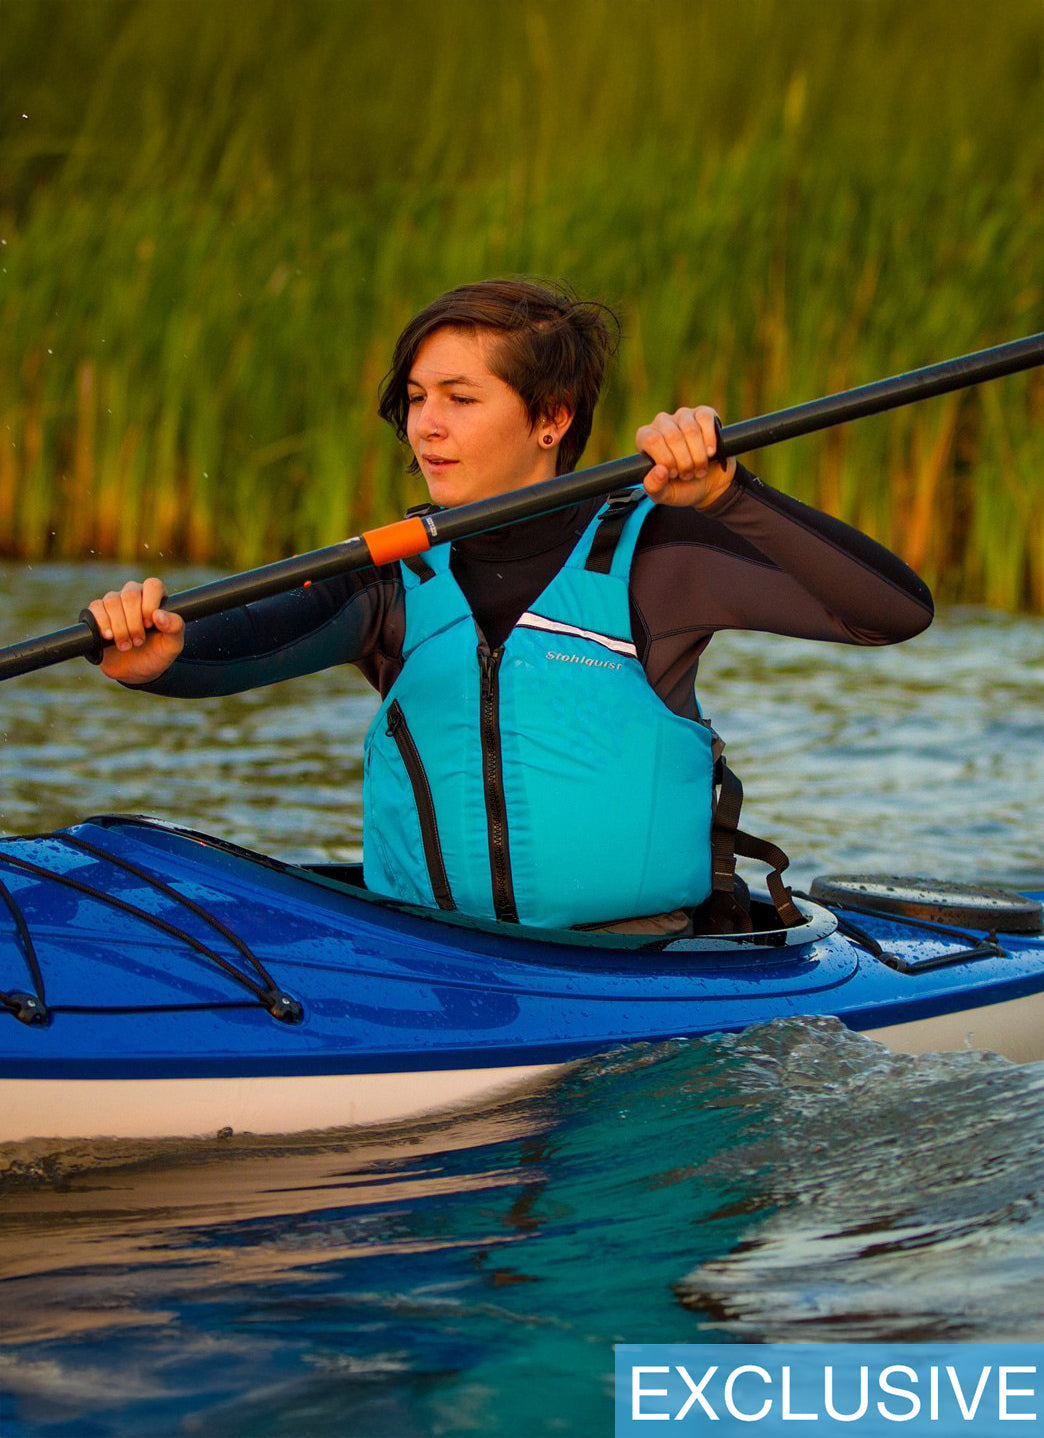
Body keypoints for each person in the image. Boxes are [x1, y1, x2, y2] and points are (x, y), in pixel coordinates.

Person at [86, 278, 934, 933]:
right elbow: (239, 644)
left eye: (460, 399)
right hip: (433, 957)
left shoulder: (658, 560)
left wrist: (727, 494)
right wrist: (161, 655)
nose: (426, 426)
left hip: (640, 962)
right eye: (417, 397)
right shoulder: (390, 579)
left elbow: (892, 613)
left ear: (551, 419)